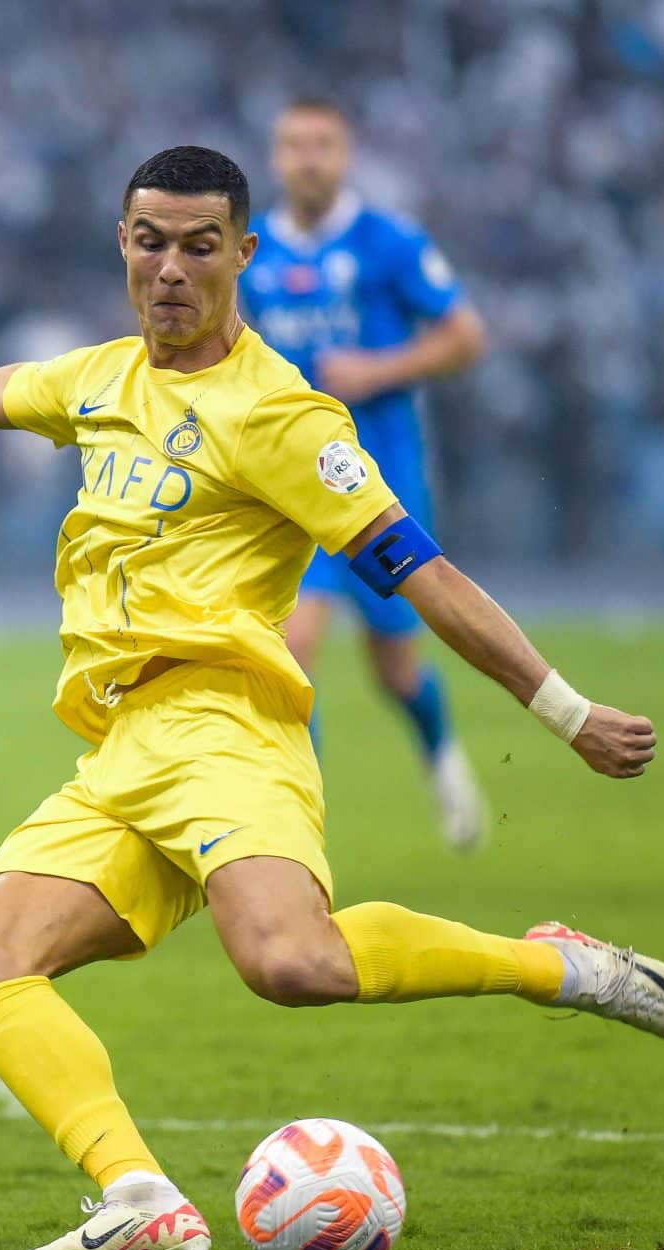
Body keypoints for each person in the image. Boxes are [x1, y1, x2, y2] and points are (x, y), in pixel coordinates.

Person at [0, 146, 664, 1250]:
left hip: (223, 726)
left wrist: (563, 712)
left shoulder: (281, 418)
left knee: (290, 967)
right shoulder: (99, 380)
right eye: (148, 241)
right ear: (122, 245)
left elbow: (424, 574)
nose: (168, 269)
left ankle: (555, 966)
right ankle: (138, 1199)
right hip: (121, 747)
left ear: (242, 255)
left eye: (197, 245)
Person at [243, 98, 491, 849]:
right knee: (289, 655)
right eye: (294, 144)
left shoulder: (389, 243)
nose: (308, 157)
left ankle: (443, 759)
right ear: (278, 156)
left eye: (322, 143)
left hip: (380, 488)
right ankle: (299, 836)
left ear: (345, 155)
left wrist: (379, 368)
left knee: (395, 670)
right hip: (293, 491)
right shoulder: (251, 255)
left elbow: (465, 336)